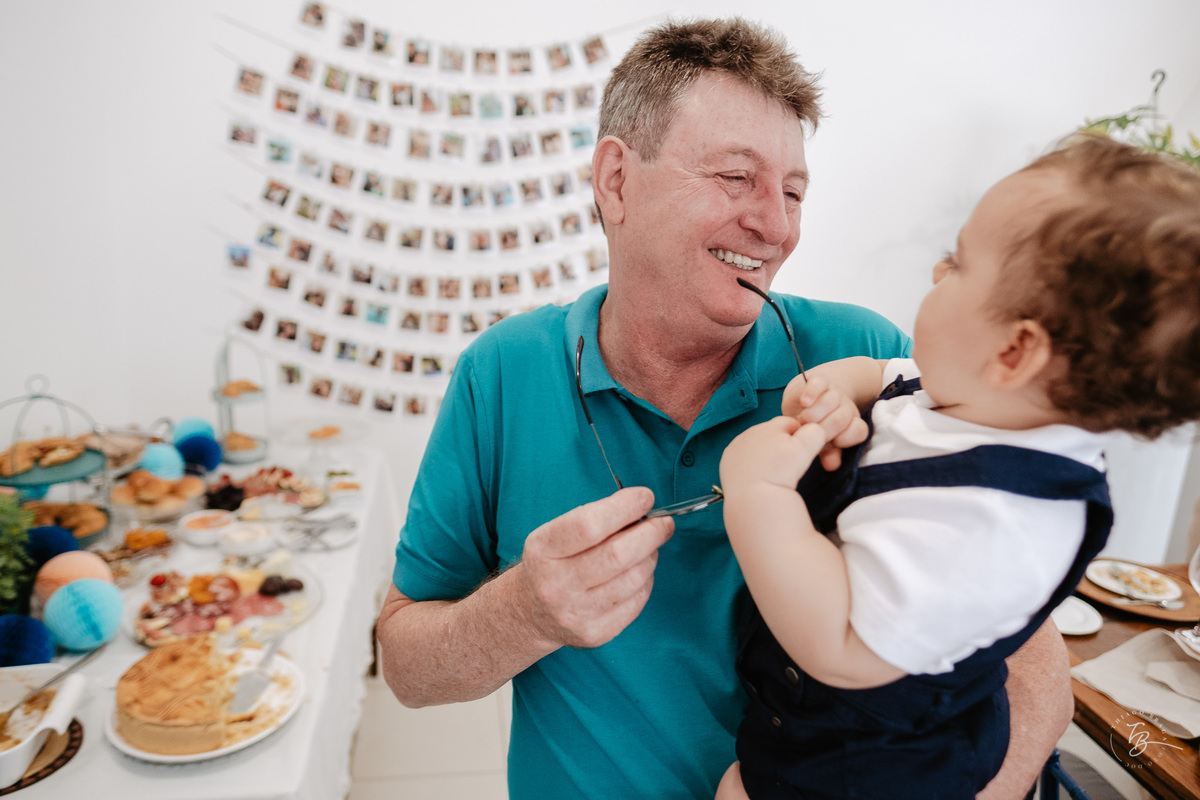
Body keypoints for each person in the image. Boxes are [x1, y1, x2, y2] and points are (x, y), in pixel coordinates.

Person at [376, 18, 1072, 799]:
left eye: (794, 192)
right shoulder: (502, 372)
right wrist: (527, 613)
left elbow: (1031, 664)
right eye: (736, 178)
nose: (776, 227)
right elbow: (406, 667)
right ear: (616, 182)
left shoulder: (870, 362)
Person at [717, 135, 1200, 799]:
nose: (939, 274)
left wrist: (759, 492)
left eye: (959, 263)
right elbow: (879, 375)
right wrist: (831, 394)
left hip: (872, 769)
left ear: (1015, 349)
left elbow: (841, 643)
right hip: (806, 726)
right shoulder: (970, 397)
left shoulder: (997, 522)